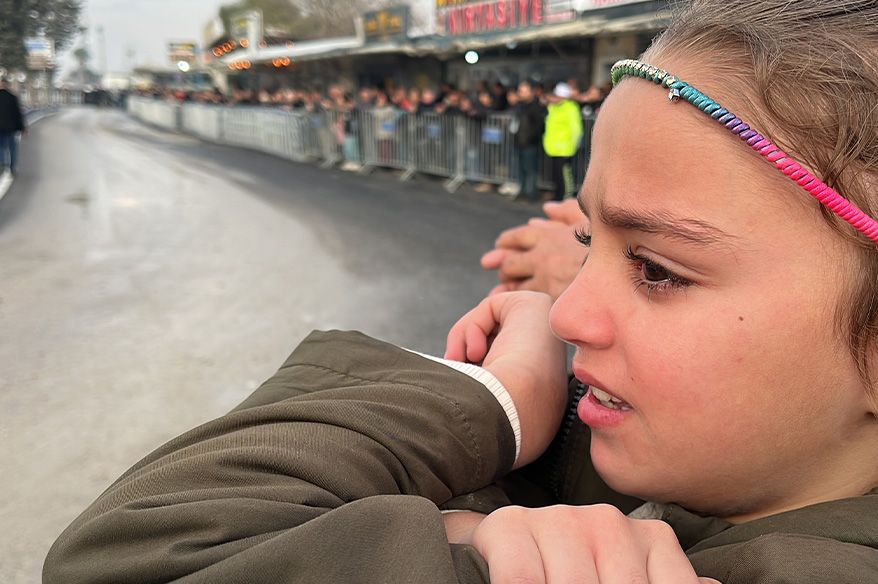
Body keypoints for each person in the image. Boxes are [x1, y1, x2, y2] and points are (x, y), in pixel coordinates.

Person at [44, 2, 878, 583]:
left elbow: (133, 553)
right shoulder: (707, 471)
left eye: (657, 269)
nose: (567, 313)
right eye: (586, 241)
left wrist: (497, 402)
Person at [543, 81, 583, 201]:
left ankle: (566, 197)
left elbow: (576, 128)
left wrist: (575, 144)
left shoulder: (570, 107)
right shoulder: (555, 107)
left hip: (565, 147)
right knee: (556, 175)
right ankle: (558, 196)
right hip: (553, 147)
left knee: (565, 175)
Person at [511, 80, 547, 203]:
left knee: (530, 169)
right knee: (521, 169)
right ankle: (522, 192)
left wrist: (531, 138)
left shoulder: (536, 107)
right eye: (520, 91)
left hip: (530, 143)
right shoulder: (521, 106)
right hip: (520, 142)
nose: (521, 93)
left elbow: (539, 126)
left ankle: (530, 194)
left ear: (531, 92)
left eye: (524, 91)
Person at [0, 77, 26, 175]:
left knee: (1, 146)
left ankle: (2, 164)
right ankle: (13, 167)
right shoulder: (12, 97)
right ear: (7, 85)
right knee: (12, 148)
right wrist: (22, 128)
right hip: (11, 128)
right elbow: (18, 114)